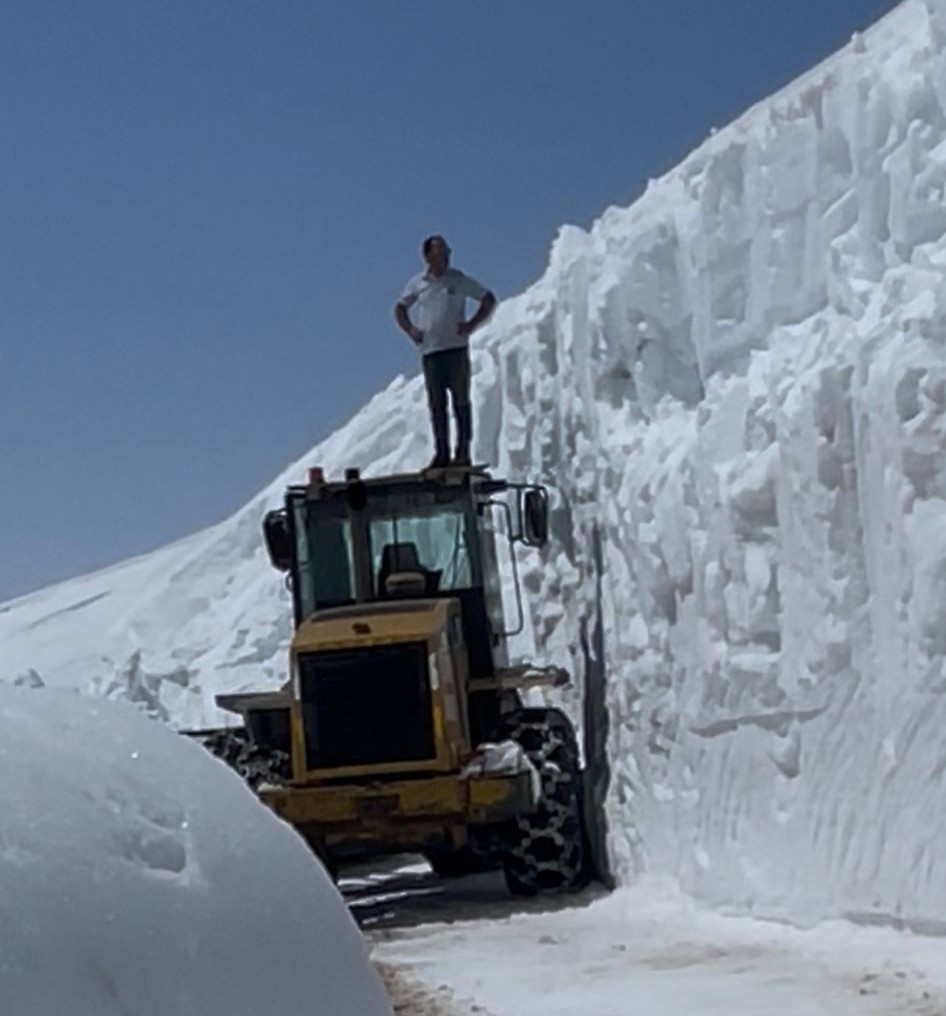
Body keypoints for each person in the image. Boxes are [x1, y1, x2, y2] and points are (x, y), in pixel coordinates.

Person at [395, 235, 496, 468]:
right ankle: (442, 452)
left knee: (461, 402)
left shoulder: (457, 280)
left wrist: (471, 324)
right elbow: (400, 308)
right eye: (440, 253)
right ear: (428, 256)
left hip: (456, 349)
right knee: (437, 405)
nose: (445, 257)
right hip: (431, 352)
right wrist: (411, 330)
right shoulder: (418, 284)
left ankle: (463, 451)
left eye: (447, 252)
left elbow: (487, 298)